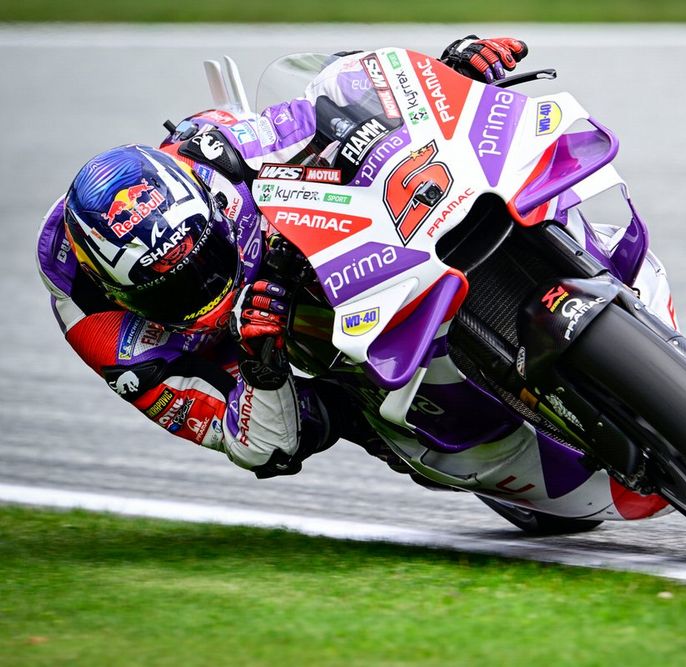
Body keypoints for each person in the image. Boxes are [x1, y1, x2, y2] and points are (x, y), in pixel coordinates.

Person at [36, 37, 529, 479]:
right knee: (307, 428)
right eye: (172, 288)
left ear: (211, 207)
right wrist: (263, 370)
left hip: (288, 248)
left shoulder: (217, 153)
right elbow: (253, 448)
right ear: (116, 290)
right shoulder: (105, 333)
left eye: (206, 256)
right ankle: (375, 413)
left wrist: (447, 77)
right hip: (240, 348)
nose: (207, 290)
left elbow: (338, 100)